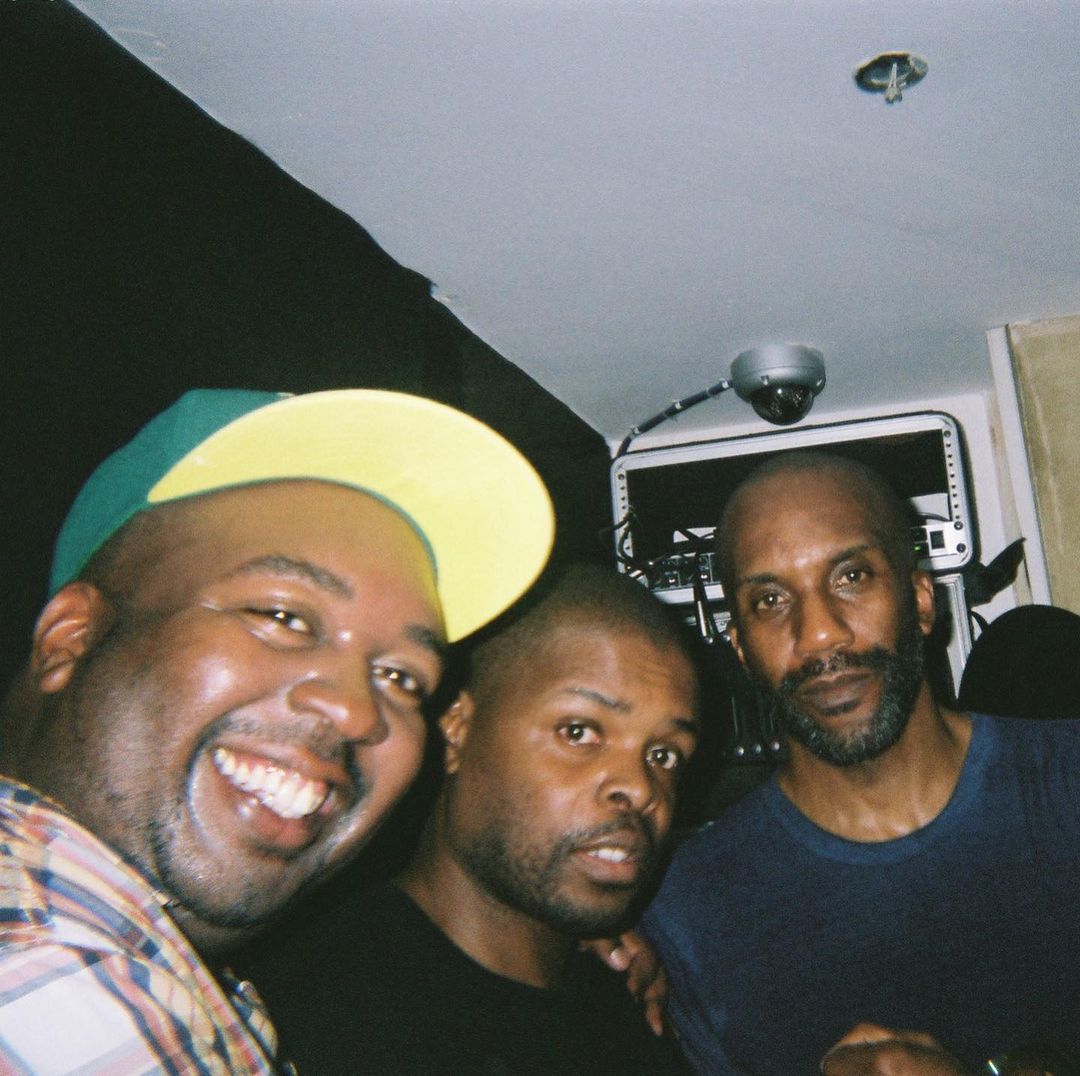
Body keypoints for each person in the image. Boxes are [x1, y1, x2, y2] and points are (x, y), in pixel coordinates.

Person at [0, 386, 553, 1073]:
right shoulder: (49, 985)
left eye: (402, 677)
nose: (357, 711)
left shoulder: (158, 984)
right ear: (71, 639)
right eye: (283, 617)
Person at [642, 450, 1080, 1076]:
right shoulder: (687, 912)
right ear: (740, 649)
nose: (819, 633)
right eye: (770, 600)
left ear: (921, 601)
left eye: (851, 576)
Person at [239, 564, 700, 1074]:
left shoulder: (626, 999)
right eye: (578, 732)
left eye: (664, 755)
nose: (640, 787)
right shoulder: (311, 1019)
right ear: (457, 728)